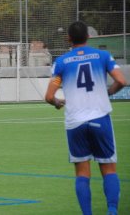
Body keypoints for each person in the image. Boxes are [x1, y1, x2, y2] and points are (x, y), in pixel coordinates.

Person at [45, 21, 126, 215]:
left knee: (82, 173)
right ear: (88, 37)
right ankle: (112, 211)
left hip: (76, 123)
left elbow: (49, 96)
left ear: (68, 39)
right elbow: (122, 81)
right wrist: (107, 93)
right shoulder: (103, 56)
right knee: (109, 169)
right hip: (100, 118)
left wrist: (57, 103)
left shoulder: (62, 62)